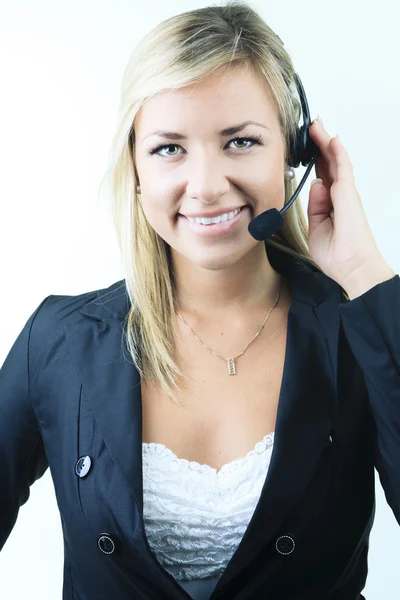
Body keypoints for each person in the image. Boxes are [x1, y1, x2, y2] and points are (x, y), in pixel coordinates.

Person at [0, 2, 398, 599]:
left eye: (240, 141)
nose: (207, 185)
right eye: (169, 148)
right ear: (134, 166)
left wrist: (366, 277)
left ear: (295, 155)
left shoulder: (360, 333)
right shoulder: (59, 340)